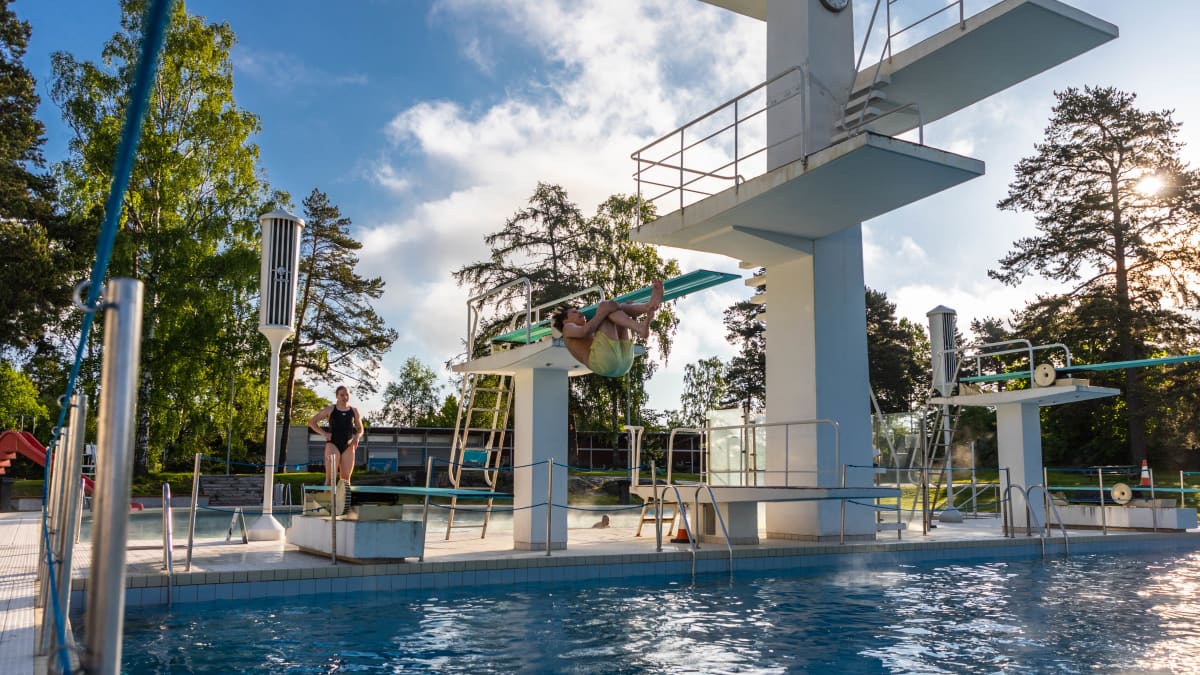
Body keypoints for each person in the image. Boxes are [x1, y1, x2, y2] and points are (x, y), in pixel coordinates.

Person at [551, 280, 663, 378]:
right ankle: (642, 316)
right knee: (605, 306)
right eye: (575, 312)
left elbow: (617, 330)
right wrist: (603, 311)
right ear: (565, 320)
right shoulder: (567, 328)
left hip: (623, 364)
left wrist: (628, 313)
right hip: (602, 361)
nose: (580, 312)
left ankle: (646, 309)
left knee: (617, 309)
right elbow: (584, 331)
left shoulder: (590, 330)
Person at [308, 385, 363, 513]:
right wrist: (324, 433)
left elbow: (360, 429)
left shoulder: (354, 411)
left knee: (346, 479)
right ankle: (326, 507)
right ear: (337, 396)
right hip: (332, 444)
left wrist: (357, 437)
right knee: (330, 478)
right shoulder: (330, 410)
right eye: (342, 395)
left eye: (347, 394)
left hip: (348, 445)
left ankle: (345, 508)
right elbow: (312, 422)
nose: (345, 397)